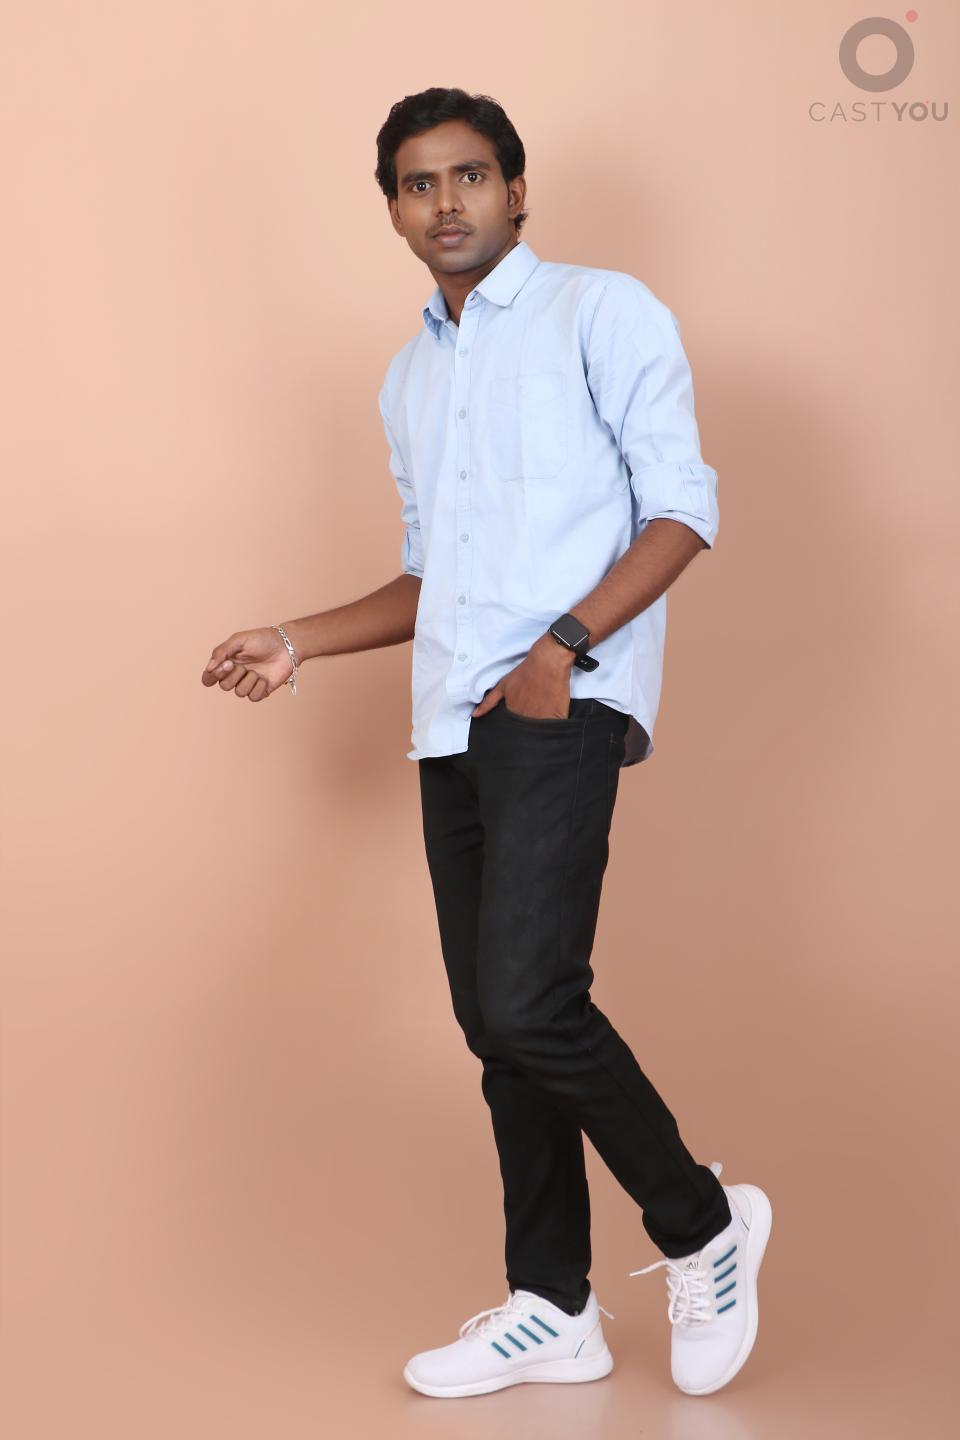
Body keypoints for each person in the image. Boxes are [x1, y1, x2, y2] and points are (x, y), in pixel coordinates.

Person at [201, 86, 772, 1401]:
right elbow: (432, 578)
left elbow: (682, 510)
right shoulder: (410, 377)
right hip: (450, 722)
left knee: (529, 1000)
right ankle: (552, 1304)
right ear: (393, 211)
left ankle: (702, 1225)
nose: (445, 201)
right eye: (418, 183)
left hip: (562, 704)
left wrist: (562, 648)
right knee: (494, 1023)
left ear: (516, 191)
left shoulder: (602, 312)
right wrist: (293, 639)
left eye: (469, 175)